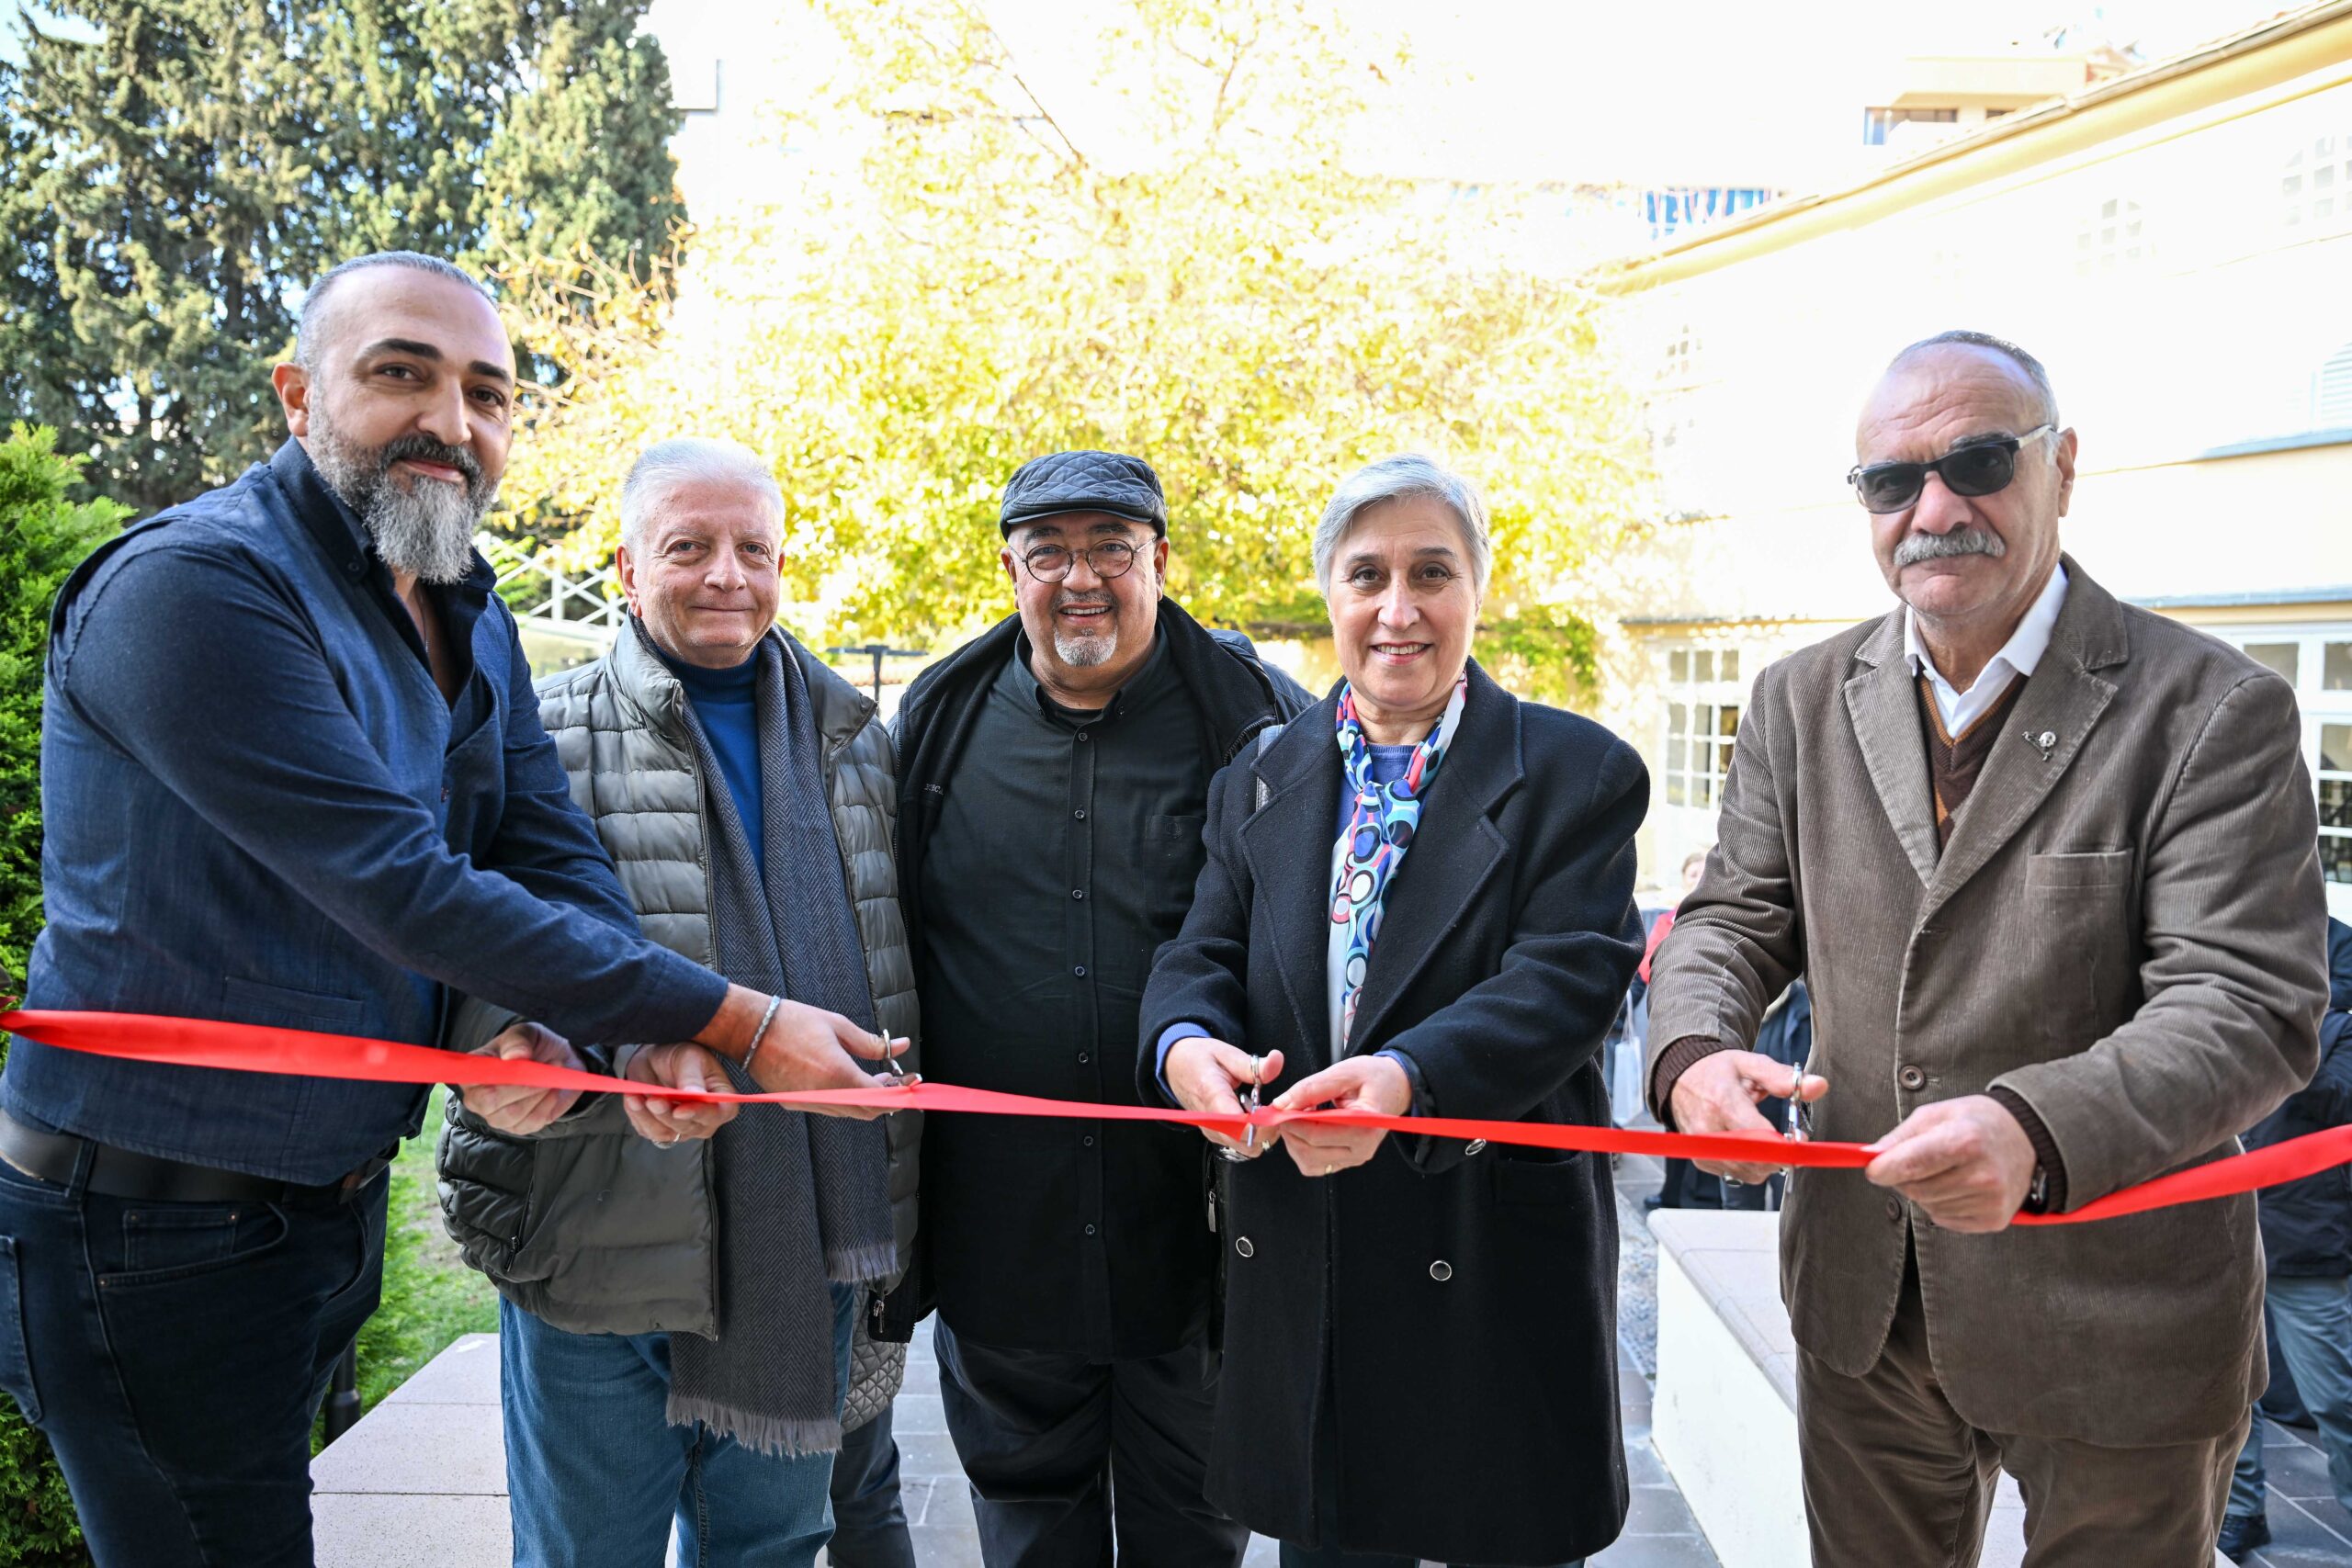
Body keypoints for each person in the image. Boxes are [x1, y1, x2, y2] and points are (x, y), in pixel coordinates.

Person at [0, 254, 901, 1568]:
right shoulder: (196, 590)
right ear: (297, 394)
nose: (453, 419)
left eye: (488, 391)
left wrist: (627, 1037)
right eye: (400, 373)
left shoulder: (463, 610)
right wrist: (739, 1017)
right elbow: (400, 883)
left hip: (314, 1210)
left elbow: (544, 846)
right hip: (141, 1225)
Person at [1646, 330, 2329, 1565]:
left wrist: (2032, 1127)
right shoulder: (1798, 698)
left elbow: (2245, 1002)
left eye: (1976, 460)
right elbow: (1733, 917)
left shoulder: (2215, 707)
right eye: (1891, 481)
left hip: (2119, 1310)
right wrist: (1696, 1050)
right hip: (1862, 1302)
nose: (1935, 508)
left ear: (2062, 467)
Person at [1145, 454, 1648, 1567]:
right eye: (1367, 575)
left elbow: (1566, 976)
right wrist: (1181, 1046)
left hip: (1486, 1244)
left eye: (1433, 571)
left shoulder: (1576, 771)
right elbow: (1200, 949)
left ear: (1479, 587)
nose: (1398, 608)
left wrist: (1410, 1081)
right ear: (1331, 593)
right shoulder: (1261, 773)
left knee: (1498, 1524)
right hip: (1308, 1249)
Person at [434, 438, 919, 1567]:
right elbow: (439, 922)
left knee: (774, 1546)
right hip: (597, 1222)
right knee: (585, 1550)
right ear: (625, 564)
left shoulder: (856, 742)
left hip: (809, 1236)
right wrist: (485, 1050)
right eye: (688, 548)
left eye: (755, 549)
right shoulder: (532, 726)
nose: (727, 577)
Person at [890, 448, 1309, 1565]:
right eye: (1049, 552)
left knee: (1195, 1532)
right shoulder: (941, 715)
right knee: (1028, 1534)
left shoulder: (1261, 719)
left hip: (1198, 1234)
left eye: (1110, 549)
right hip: (1003, 1234)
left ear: (1159, 559)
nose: (1081, 578)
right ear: (1009, 568)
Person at [2219, 914, 2352, 1562]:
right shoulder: (2228, 1009)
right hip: (2225, 1226)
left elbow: (2333, 1098)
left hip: (2307, 1236)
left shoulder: (2340, 1023)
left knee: (2335, 1392)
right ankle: (2242, 1513)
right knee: (2235, 1387)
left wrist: (2290, 1044)